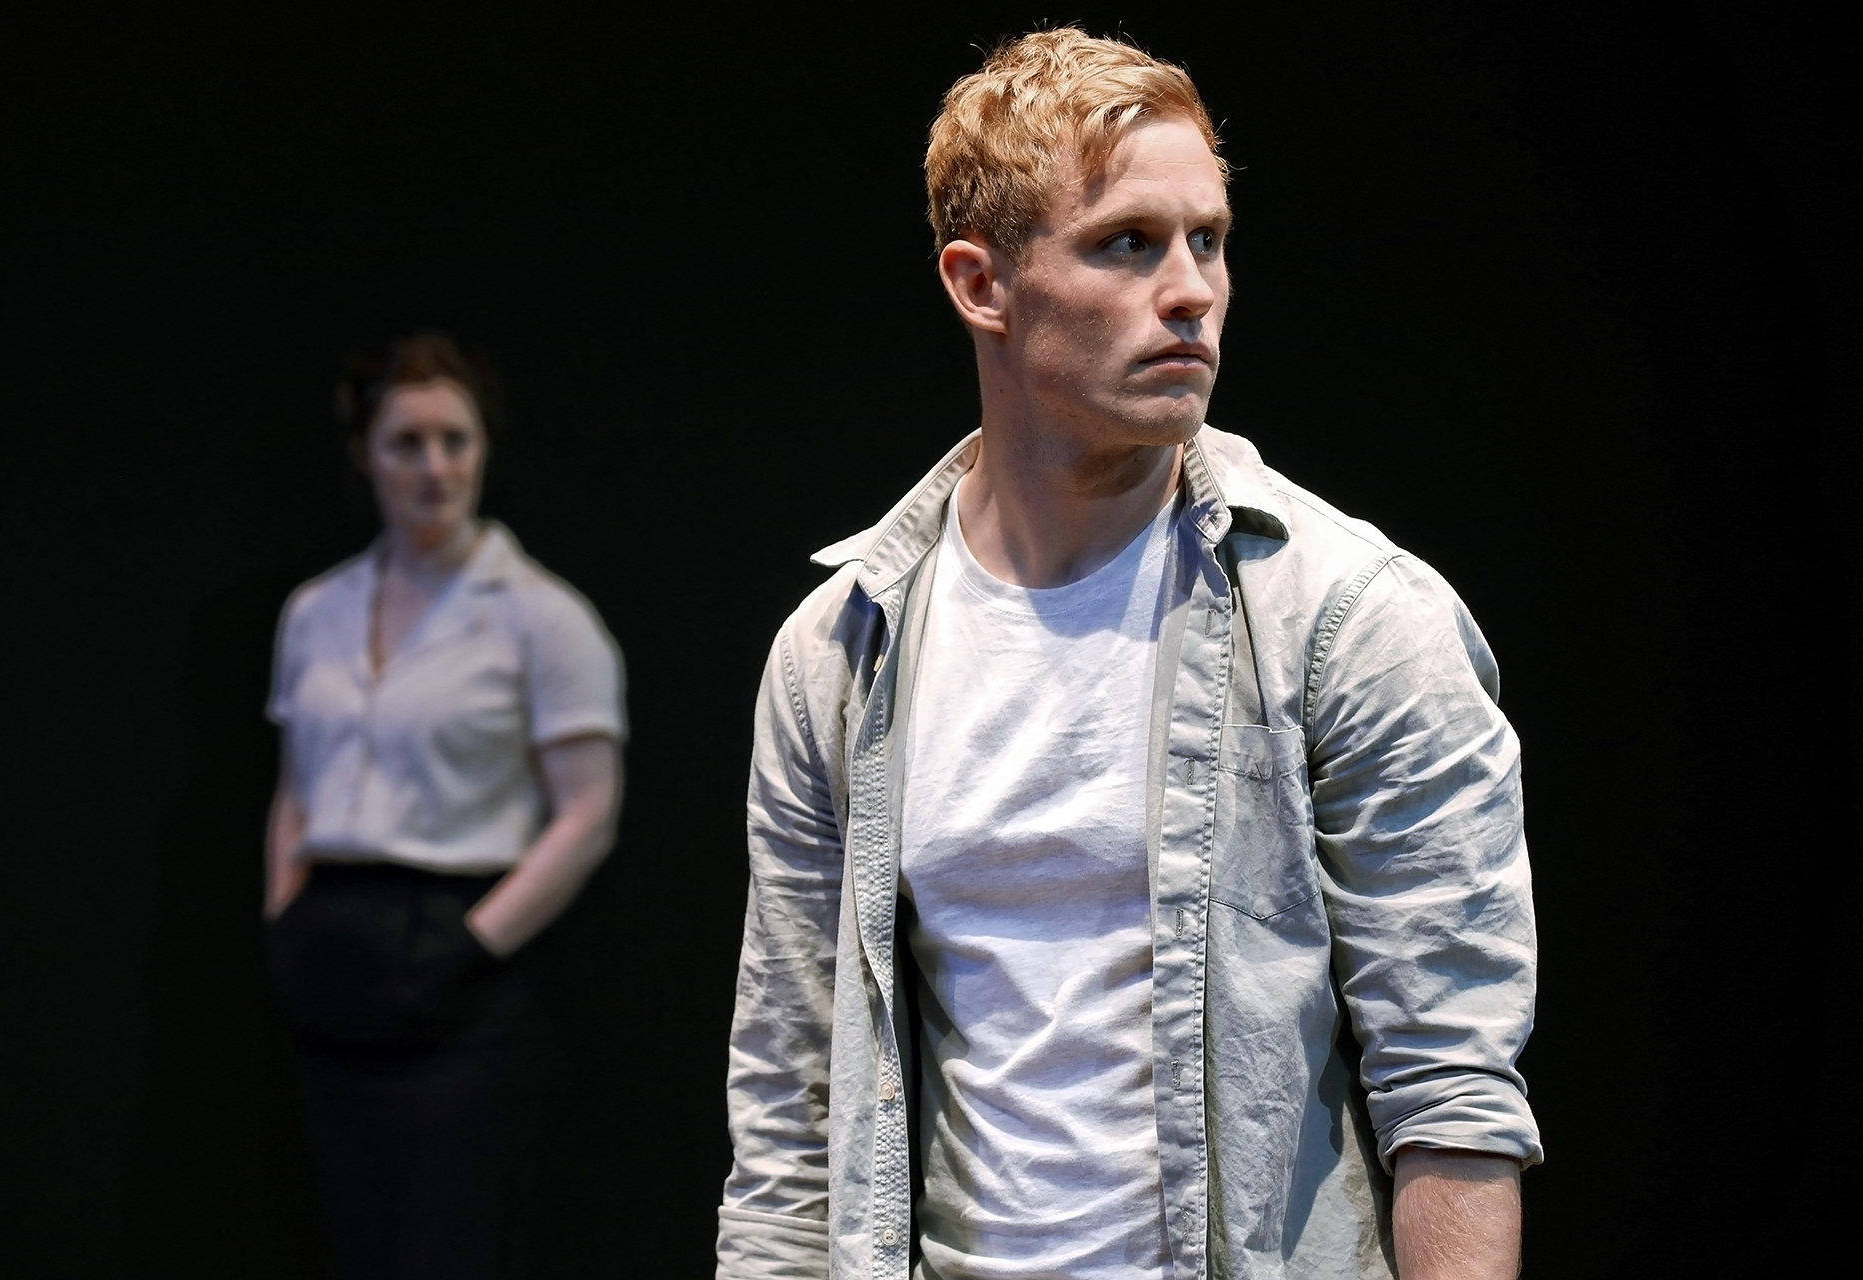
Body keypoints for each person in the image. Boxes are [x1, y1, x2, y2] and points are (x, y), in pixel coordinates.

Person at [718, 29, 1539, 1280]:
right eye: (1127, 243)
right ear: (981, 284)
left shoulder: (1357, 619)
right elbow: (790, 1105)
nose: (1191, 289)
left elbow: (1455, 1095)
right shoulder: (841, 653)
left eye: (1207, 239)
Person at [264, 333, 625, 1279]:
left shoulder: (540, 616)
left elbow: (587, 815)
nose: (434, 467)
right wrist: (286, 914)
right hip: (336, 959)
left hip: (461, 975)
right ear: (363, 456)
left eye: (454, 441)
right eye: (407, 443)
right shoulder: (316, 612)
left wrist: (467, 947)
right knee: (349, 1240)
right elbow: (296, 786)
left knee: (447, 1248)